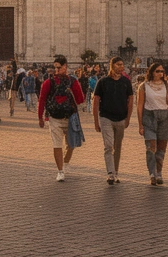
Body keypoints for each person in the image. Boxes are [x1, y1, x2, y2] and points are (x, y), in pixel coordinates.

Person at [38, 54, 85, 182]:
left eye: (59, 67)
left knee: (71, 144)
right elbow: (42, 100)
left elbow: (80, 99)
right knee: (57, 144)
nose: (57, 70)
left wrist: (73, 92)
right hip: (54, 118)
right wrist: (40, 117)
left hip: (70, 118)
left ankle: (65, 161)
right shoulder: (49, 82)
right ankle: (60, 171)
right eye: (55, 68)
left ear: (65, 66)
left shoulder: (72, 81)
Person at [92, 57, 135, 184]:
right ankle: (110, 173)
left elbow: (131, 100)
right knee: (108, 145)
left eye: (122, 64)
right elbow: (95, 101)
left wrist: (128, 118)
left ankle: (115, 171)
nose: (122, 67)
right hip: (106, 117)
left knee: (117, 146)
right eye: (119, 64)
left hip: (121, 118)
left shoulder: (126, 82)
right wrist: (96, 121)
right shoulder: (103, 82)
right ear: (112, 66)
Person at [136, 62, 168, 185]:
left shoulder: (167, 85)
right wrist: (140, 124)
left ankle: (159, 173)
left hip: (164, 117)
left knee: (161, 148)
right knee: (151, 147)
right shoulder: (144, 86)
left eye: (162, 71)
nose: (160, 73)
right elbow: (140, 106)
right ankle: (152, 173)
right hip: (149, 117)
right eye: (157, 71)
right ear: (152, 72)